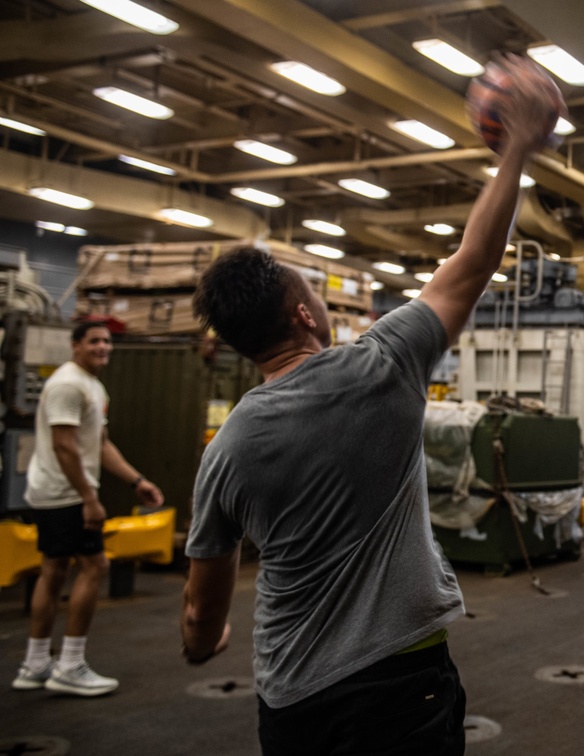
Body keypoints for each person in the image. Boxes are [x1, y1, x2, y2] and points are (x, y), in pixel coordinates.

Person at [179, 56, 563, 756]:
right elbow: (473, 264)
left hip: (293, 697)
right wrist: (515, 150)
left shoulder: (225, 450)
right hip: (402, 682)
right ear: (304, 315)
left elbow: (202, 607)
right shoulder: (381, 366)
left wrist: (205, 643)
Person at [12, 321, 164, 696]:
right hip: (66, 494)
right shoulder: (68, 384)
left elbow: (100, 444)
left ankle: (34, 664)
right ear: (75, 345)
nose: (102, 347)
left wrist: (136, 481)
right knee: (94, 566)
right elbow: (65, 446)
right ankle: (71, 664)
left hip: (58, 492)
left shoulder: (91, 385)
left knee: (54, 570)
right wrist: (90, 499)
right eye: (94, 341)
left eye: (107, 342)